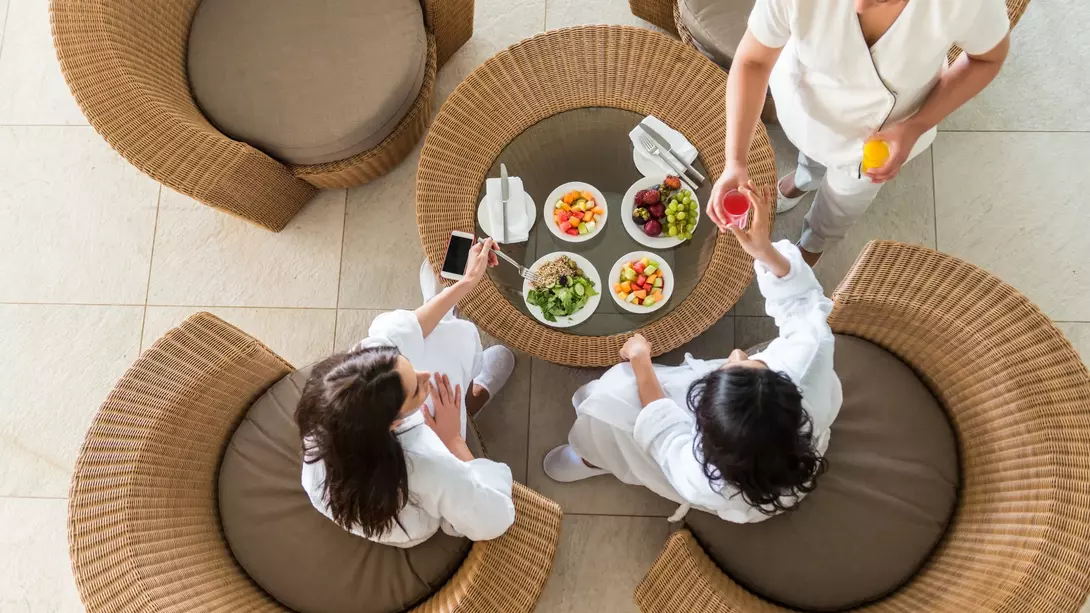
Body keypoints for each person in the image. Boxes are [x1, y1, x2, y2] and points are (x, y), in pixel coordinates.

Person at [543, 186, 842, 522]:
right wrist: (764, 251)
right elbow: (802, 303)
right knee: (616, 394)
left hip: (716, 477)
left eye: (732, 365)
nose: (737, 352)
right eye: (753, 363)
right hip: (769, 450)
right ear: (788, 388)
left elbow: (661, 424)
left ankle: (589, 456)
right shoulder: (808, 362)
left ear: (705, 429)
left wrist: (640, 359)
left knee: (613, 396)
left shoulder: (701, 475)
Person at [707, 0, 1011, 266]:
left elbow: (988, 59)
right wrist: (735, 161)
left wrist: (915, 126)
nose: (860, 6)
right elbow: (753, 61)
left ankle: (815, 242)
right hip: (810, 106)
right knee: (810, 155)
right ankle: (804, 179)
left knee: (842, 201)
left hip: (886, 132)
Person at [297, 239, 518, 547]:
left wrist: (466, 283)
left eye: (410, 369)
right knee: (447, 368)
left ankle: (445, 312)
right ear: (393, 424)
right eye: (416, 391)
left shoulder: (337, 403)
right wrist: (452, 438)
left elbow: (391, 338)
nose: (424, 376)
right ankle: (472, 396)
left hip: (372, 464)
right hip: (412, 520)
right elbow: (493, 518)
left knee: (422, 344)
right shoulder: (426, 462)